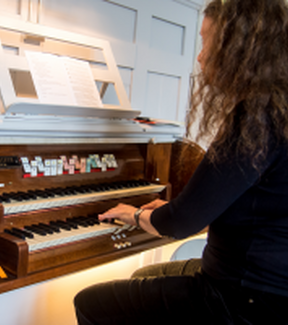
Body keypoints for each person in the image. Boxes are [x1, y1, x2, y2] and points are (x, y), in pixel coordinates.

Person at [74, 0, 288, 324]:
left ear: (240, 48)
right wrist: (181, 209)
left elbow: (181, 222)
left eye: (206, 41)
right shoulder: (278, 110)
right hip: (270, 289)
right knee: (145, 276)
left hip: (243, 299)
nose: (200, 56)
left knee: (91, 303)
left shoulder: (256, 118)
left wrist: (134, 214)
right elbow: (252, 204)